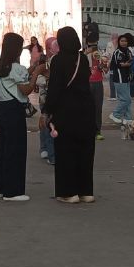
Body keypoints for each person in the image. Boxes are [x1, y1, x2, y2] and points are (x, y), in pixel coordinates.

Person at [46, 27, 98, 203]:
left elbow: (54, 89)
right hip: (86, 109)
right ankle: (86, 191)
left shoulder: (57, 61)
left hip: (66, 111)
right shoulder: (82, 58)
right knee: (85, 150)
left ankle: (69, 193)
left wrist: (47, 110)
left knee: (66, 151)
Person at [0, 33, 40, 202]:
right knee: (17, 150)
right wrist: (37, 73)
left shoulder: (3, 66)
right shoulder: (16, 68)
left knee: (5, 149)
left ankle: (2, 187)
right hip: (14, 111)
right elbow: (26, 89)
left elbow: (17, 79)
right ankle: (13, 191)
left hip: (2, 108)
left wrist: (33, 67)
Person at [108, 34, 134, 124]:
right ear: (119, 42)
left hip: (126, 78)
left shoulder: (128, 51)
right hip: (119, 78)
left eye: (125, 41)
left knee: (127, 99)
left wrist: (128, 63)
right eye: (122, 41)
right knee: (126, 99)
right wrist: (127, 64)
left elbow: (130, 61)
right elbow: (121, 64)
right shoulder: (118, 52)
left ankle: (128, 118)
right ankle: (115, 114)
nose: (124, 43)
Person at [85, 42, 107, 140]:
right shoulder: (85, 58)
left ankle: (97, 131)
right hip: (87, 84)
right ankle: (87, 130)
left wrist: (102, 64)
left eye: (94, 48)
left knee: (98, 108)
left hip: (98, 84)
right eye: (90, 47)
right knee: (87, 108)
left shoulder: (100, 58)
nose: (93, 50)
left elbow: (105, 70)